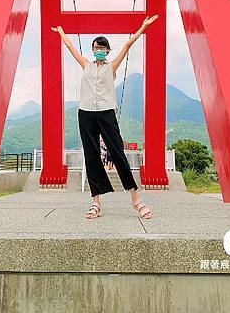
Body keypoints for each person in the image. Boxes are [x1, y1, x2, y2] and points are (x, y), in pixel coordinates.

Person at [51, 15, 158, 219]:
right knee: (91, 157)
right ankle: (95, 203)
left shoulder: (112, 66)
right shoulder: (86, 65)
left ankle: (137, 200)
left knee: (118, 153)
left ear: (107, 50)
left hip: (107, 113)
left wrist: (143, 27)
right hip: (86, 114)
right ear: (93, 50)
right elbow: (70, 48)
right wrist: (62, 32)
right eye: (95, 47)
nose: (98, 50)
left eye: (102, 47)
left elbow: (127, 44)